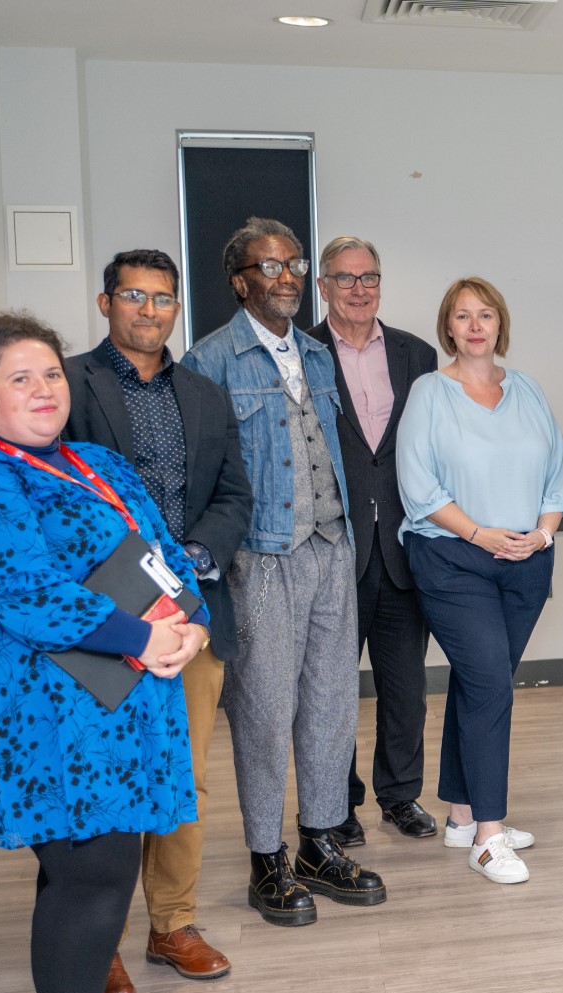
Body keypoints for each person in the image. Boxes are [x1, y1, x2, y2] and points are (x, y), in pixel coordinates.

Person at [0, 312, 207, 993]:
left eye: (51, 374)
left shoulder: (97, 462)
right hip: (45, 725)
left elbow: (166, 556)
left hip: (127, 708)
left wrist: (190, 624)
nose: (43, 390)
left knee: (92, 874)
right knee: (91, 878)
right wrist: (144, 635)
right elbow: (27, 592)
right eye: (19, 377)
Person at [182, 216, 385, 925]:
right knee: (265, 714)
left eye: (295, 264)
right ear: (240, 282)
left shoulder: (319, 355)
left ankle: (320, 842)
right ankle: (266, 858)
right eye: (271, 267)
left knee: (331, 705)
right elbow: (200, 476)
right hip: (261, 556)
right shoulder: (209, 362)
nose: (289, 277)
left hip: (332, 548)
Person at [65, 249, 250, 992]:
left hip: (191, 615)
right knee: (104, 780)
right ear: (105, 302)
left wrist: (193, 556)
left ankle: (172, 924)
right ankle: (94, 938)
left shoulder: (204, 394)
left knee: (183, 778)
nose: (150, 310)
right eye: (134, 296)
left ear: (178, 307)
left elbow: (234, 494)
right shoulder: (68, 385)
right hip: (101, 622)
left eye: (163, 298)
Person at [398, 278, 563, 884]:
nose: (476, 326)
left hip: (526, 560)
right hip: (452, 558)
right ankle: (490, 838)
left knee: (483, 684)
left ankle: (462, 816)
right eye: (463, 316)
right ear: (447, 326)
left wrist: (543, 534)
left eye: (486, 314)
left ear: (501, 324)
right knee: (491, 683)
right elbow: (418, 490)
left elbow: (558, 474)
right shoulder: (429, 393)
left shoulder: (525, 390)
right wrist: (480, 534)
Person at [306, 236, 440, 844]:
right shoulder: (301, 353)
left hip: (405, 546)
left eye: (370, 278)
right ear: (324, 287)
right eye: (346, 278)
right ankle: (336, 803)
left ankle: (400, 795)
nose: (360, 289)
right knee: (330, 692)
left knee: (405, 687)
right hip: (333, 546)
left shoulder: (417, 354)